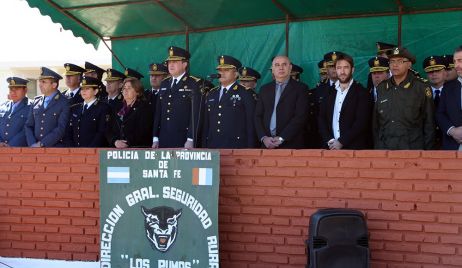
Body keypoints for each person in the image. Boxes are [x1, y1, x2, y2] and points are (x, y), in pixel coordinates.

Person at [373, 47, 435, 150]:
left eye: (400, 61)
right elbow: (376, 123)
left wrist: (426, 154)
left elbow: (430, 124)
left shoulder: (421, 87)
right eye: (392, 61)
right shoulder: (382, 88)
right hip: (384, 148)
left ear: (409, 64)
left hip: (412, 150)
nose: (395, 65)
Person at [318, 53, 372, 150]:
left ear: (352, 70)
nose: (342, 71)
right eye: (339, 68)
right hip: (330, 148)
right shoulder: (328, 92)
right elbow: (321, 118)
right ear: (336, 70)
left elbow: (361, 122)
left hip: (353, 150)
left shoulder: (362, 92)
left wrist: (341, 142)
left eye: (346, 67)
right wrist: (330, 141)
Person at [152, 46, 202, 149]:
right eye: (169, 62)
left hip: (183, 139)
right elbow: (159, 112)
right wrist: (155, 138)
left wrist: (191, 139)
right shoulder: (165, 83)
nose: (171, 65)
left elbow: (195, 114)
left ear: (185, 64)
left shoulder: (193, 83)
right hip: (164, 138)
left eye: (175, 62)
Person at [255, 55, 308, 149]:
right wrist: (264, 138)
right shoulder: (264, 89)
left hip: (291, 144)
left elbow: (300, 116)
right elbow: (257, 116)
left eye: (284, 64)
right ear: (272, 69)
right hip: (267, 144)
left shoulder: (301, 88)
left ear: (290, 67)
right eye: (277, 65)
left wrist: (282, 138)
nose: (281, 67)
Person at [202, 55, 256, 148]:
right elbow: (206, 123)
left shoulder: (245, 93)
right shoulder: (212, 93)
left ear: (236, 74)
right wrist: (204, 145)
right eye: (220, 70)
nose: (222, 73)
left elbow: (251, 123)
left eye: (226, 70)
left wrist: (250, 148)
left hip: (236, 146)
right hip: (213, 144)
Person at [25, 67, 70, 147]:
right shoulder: (36, 101)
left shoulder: (64, 102)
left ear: (54, 85)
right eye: (40, 81)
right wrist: (32, 144)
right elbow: (29, 125)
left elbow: (61, 129)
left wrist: (42, 143)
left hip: (55, 149)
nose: (40, 84)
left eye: (44, 82)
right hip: (35, 148)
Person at [107, 77, 152, 148]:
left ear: (137, 92)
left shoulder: (144, 108)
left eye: (129, 88)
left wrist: (126, 142)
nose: (125, 90)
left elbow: (143, 131)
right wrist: (115, 141)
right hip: (116, 150)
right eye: (124, 88)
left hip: (136, 150)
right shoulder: (117, 107)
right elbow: (108, 129)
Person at [67, 76, 110, 147]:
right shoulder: (74, 108)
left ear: (95, 91)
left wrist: (89, 150)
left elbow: (101, 133)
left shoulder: (103, 108)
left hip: (94, 152)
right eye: (82, 89)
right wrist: (72, 148)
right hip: (75, 152)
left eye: (87, 89)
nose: (83, 91)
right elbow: (68, 132)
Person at [436, 46, 462, 150]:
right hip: (452, 146)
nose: (456, 65)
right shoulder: (448, 87)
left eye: (460, 61)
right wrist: (452, 131)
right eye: (455, 61)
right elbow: (440, 113)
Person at [0, 77, 31, 147]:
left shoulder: (32, 106)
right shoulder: (2, 107)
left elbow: (27, 129)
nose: (13, 92)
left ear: (25, 90)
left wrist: (11, 145)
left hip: (19, 150)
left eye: (17, 89)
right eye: (11, 89)